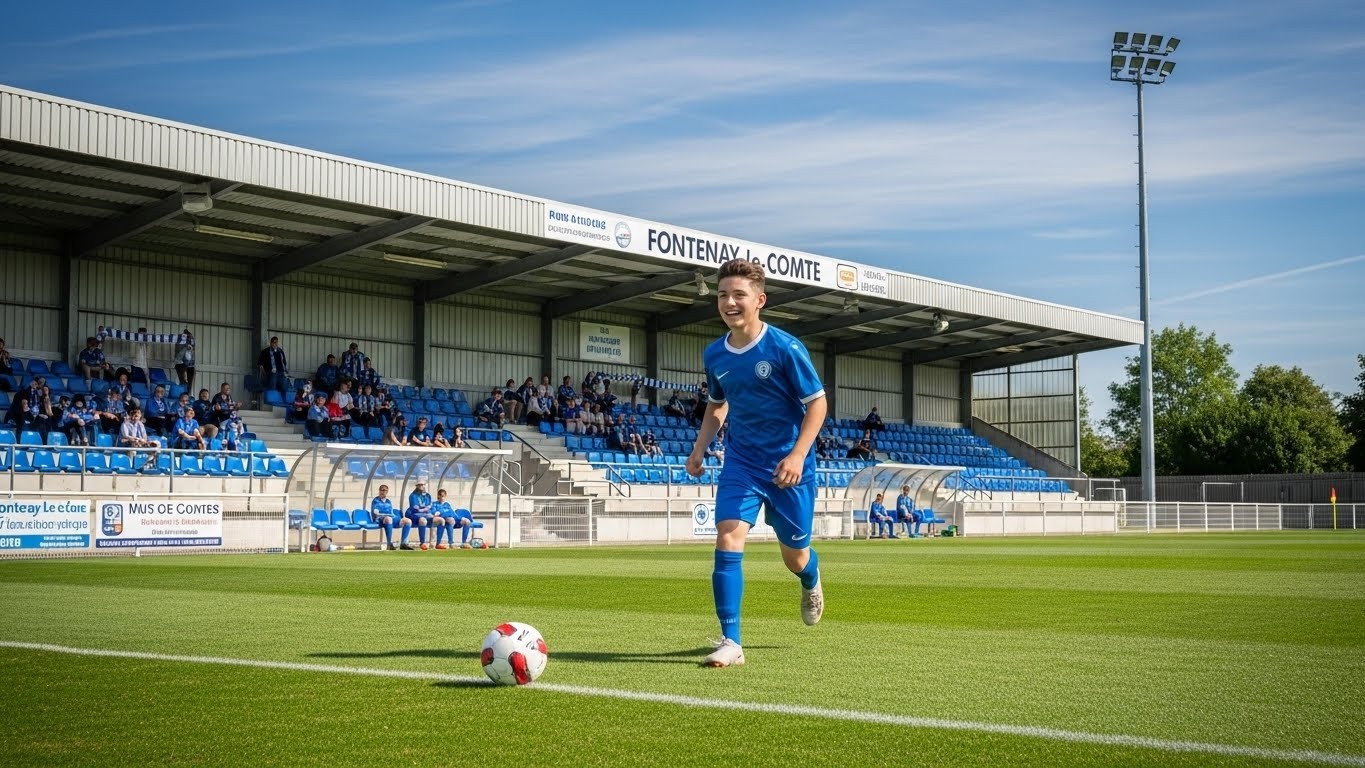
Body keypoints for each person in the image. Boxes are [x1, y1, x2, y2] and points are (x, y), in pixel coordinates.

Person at [687, 259, 826, 668]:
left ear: (760, 301)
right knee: (728, 536)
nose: (729, 302)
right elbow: (717, 404)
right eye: (723, 295)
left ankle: (811, 579)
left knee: (795, 556)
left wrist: (798, 454)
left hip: (788, 466)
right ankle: (731, 641)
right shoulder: (715, 354)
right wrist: (699, 448)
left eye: (739, 295)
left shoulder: (785, 348)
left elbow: (817, 403)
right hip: (742, 462)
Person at [370, 484, 412, 551]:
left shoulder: (388, 501)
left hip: (390, 517)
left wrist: (394, 516)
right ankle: (389, 544)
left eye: (385, 490)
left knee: (407, 521)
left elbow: (391, 512)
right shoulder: (376, 500)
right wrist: (386, 515)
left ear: (387, 492)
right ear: (379, 491)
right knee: (388, 519)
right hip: (380, 519)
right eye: (382, 490)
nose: (383, 492)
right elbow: (376, 513)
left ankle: (403, 544)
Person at [405, 481, 436, 551]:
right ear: (417, 486)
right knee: (423, 520)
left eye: (424, 485)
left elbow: (431, 506)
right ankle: (422, 543)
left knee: (439, 520)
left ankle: (433, 543)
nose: (423, 486)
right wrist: (425, 509)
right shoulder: (413, 496)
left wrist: (428, 510)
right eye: (421, 485)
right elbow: (415, 508)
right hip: (415, 515)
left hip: (426, 514)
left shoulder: (428, 495)